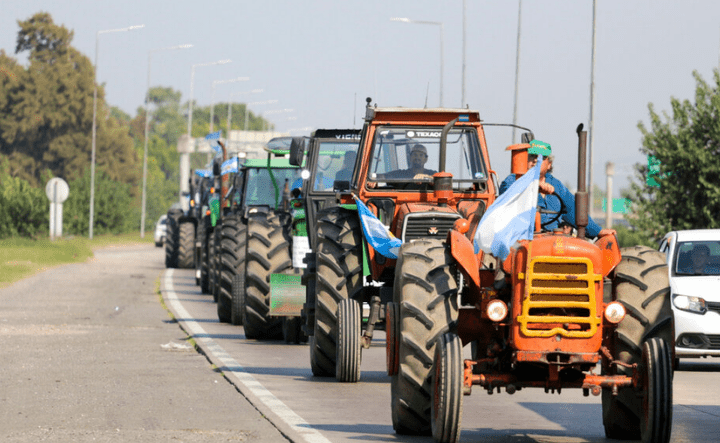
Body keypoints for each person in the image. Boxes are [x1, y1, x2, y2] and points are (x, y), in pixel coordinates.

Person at [499, 140, 615, 239]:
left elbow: (574, 211)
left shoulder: (556, 185)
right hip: (522, 238)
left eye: (541, 157)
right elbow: (507, 194)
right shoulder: (512, 180)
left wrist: (598, 231)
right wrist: (535, 185)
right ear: (525, 160)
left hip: (553, 240)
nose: (535, 161)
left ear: (549, 164)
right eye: (532, 157)